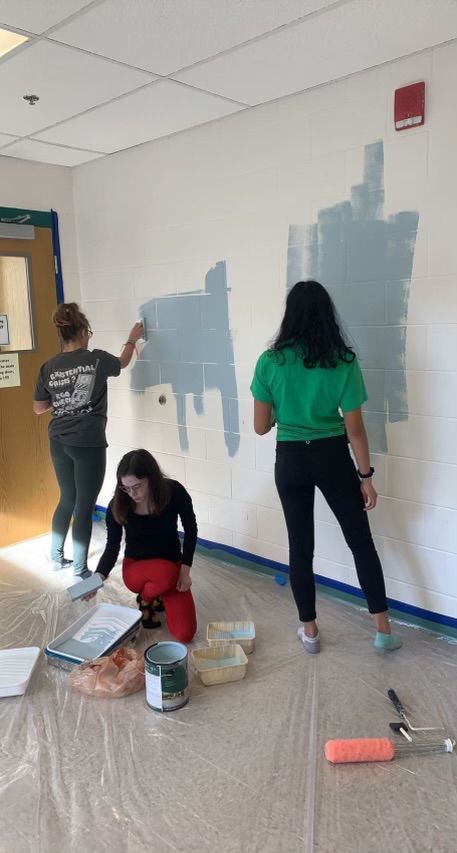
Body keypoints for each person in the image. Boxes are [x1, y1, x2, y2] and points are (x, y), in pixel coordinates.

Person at [250, 281, 401, 654]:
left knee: (300, 547)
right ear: (326, 316)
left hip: (290, 460)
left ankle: (311, 633)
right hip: (332, 456)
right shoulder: (343, 362)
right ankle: (382, 631)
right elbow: (355, 430)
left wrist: (286, 412)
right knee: (360, 543)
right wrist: (365, 477)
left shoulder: (270, 361)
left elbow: (259, 426)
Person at [33, 302, 143, 578]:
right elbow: (123, 362)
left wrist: (63, 399)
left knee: (67, 499)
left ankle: (57, 558)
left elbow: (38, 407)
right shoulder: (96, 359)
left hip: (58, 439)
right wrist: (132, 338)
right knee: (84, 504)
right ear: (82, 331)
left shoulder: (49, 366)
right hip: (87, 442)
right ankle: (80, 570)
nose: (89, 336)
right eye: (88, 332)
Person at [91, 449, 197, 645]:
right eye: (126, 488)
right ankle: (147, 598)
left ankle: (157, 594)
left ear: (152, 478)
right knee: (165, 574)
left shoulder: (174, 492)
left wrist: (185, 569)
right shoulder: (119, 503)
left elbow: (191, 529)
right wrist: (98, 577)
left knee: (185, 634)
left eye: (137, 486)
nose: (132, 493)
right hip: (136, 568)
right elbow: (112, 546)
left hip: (171, 566)